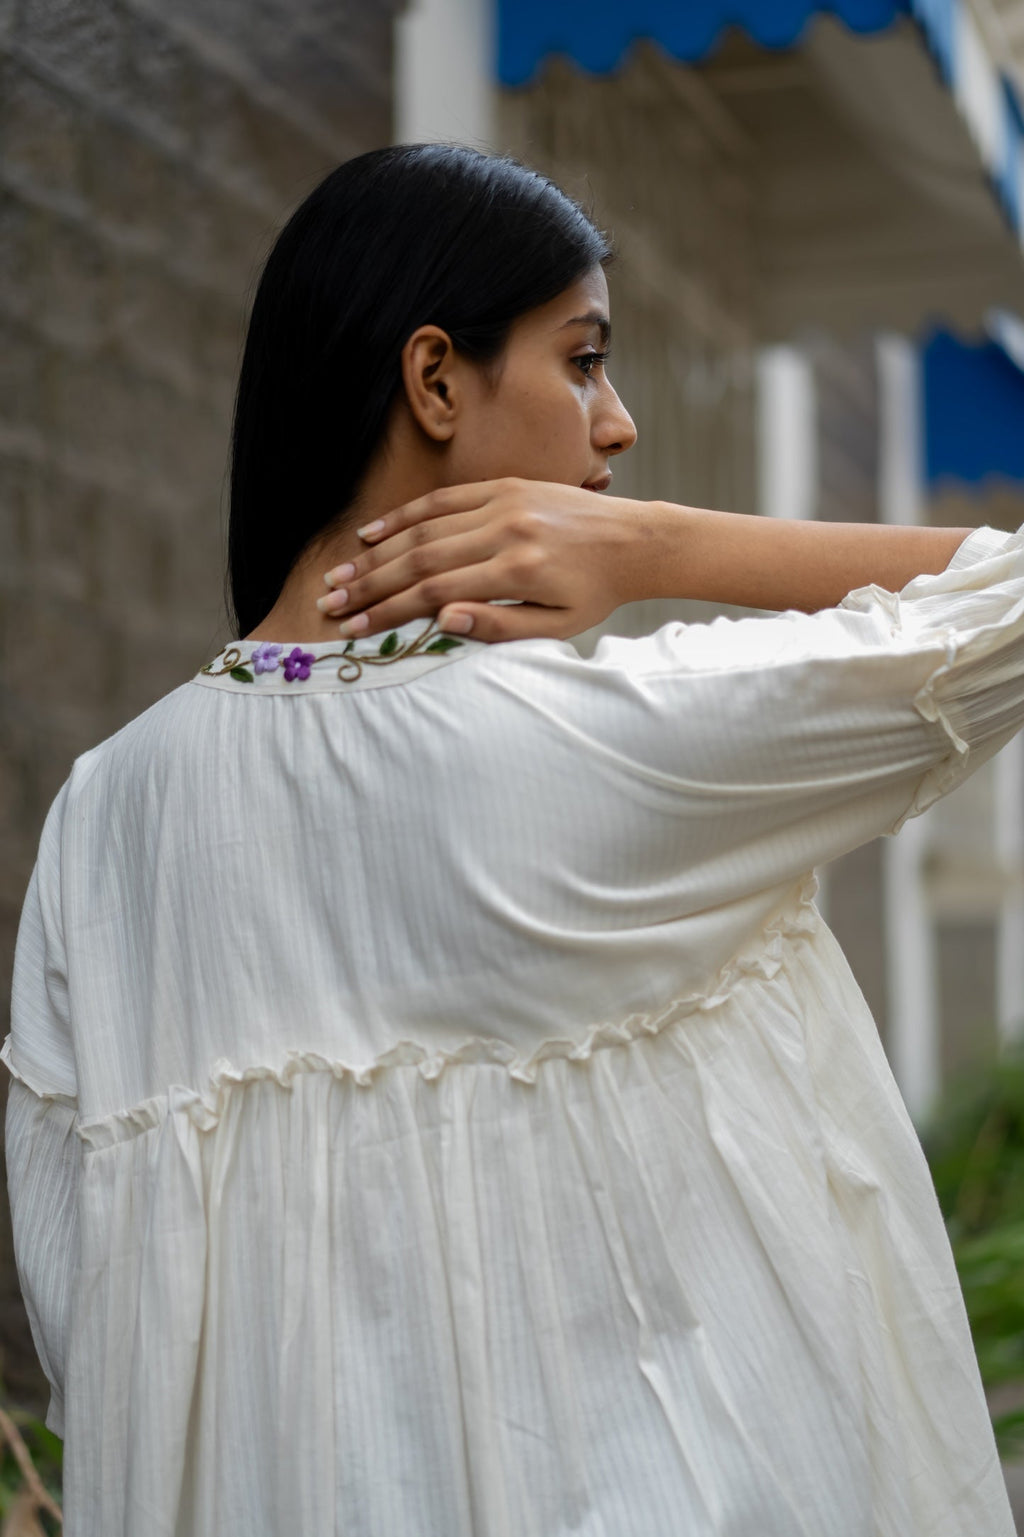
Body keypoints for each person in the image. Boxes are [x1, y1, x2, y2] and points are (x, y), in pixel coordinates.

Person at [4, 142, 1022, 1536]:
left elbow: (83, 1306)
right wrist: (656, 548)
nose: (620, 426)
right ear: (435, 381)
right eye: (584, 359)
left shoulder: (103, 815)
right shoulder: (607, 743)